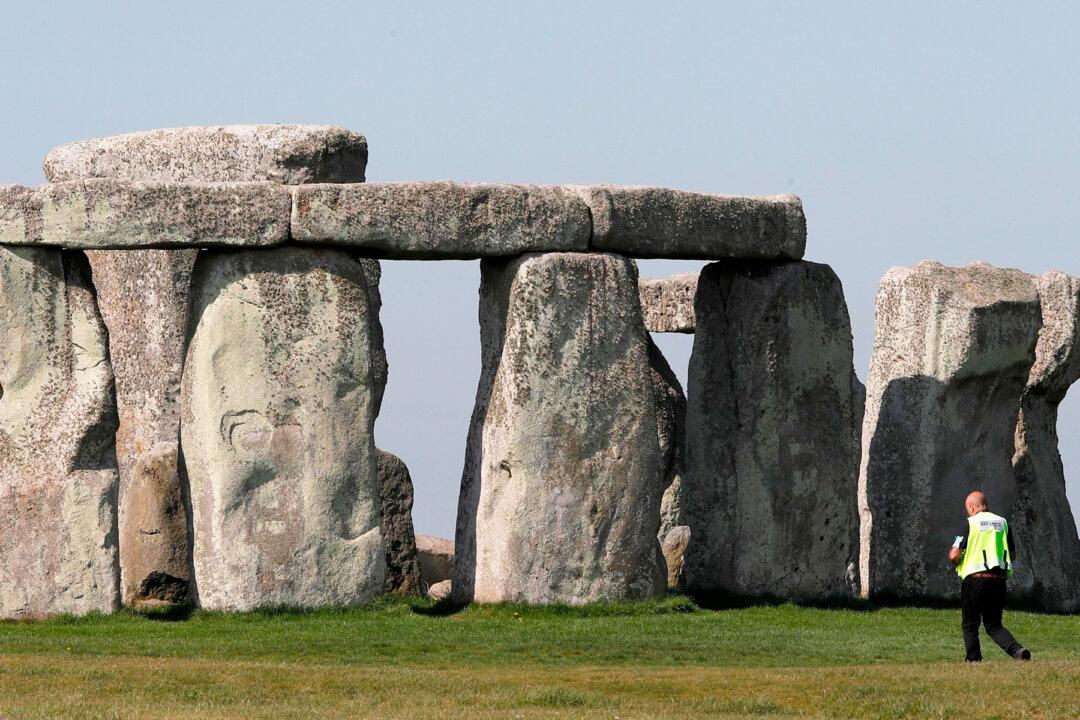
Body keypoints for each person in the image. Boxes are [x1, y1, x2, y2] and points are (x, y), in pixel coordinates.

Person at [948, 491, 1031, 663]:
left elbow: (954, 554)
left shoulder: (969, 523)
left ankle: (973, 659)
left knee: (970, 623)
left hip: (975, 579)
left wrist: (959, 562)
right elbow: (1012, 554)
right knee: (993, 624)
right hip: (998, 580)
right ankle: (1017, 651)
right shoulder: (1003, 523)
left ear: (971, 507)